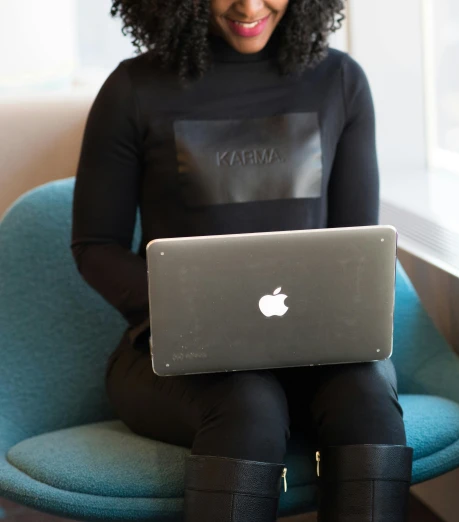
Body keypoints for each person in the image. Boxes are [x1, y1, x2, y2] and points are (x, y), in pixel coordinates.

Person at [70, 1, 412, 520]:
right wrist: (198, 311)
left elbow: (357, 251)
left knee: (365, 399)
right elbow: (96, 248)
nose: (249, 6)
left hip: (316, 350)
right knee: (249, 404)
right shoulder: (132, 90)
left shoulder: (340, 81)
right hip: (175, 356)